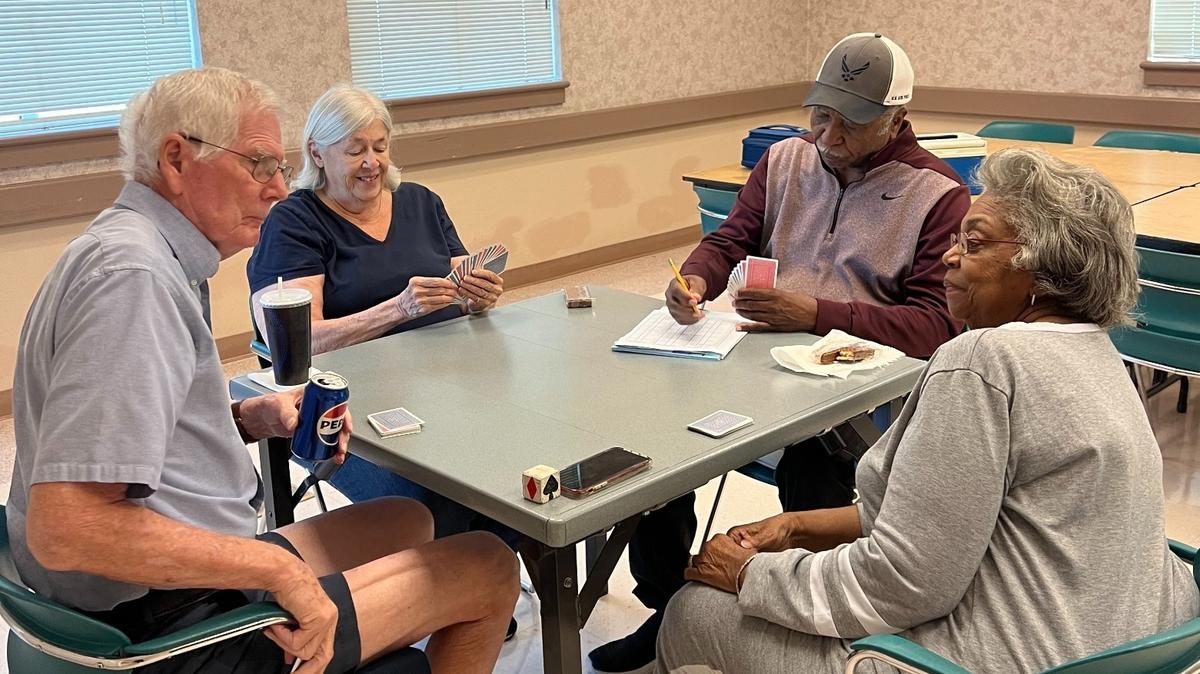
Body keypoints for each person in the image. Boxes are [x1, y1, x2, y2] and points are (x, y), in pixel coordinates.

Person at [7, 67, 519, 674]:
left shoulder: (134, 249)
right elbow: (68, 528)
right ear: (176, 158)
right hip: (167, 623)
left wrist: (243, 418)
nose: (277, 189)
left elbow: (125, 432)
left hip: (172, 574)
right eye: (258, 166)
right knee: (488, 563)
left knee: (411, 517)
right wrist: (278, 571)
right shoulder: (135, 280)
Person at [655, 146, 1200, 673]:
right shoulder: (1099, 353)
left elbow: (901, 586)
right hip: (1107, 641)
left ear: (1043, 266)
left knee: (693, 612)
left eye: (975, 242)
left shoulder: (984, 361)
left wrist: (753, 574)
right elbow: (945, 515)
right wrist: (796, 527)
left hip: (1003, 656)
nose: (949, 254)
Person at [590, 33, 969, 671]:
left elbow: (937, 327)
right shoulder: (785, 161)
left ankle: (809, 618)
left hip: (860, 384)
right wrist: (696, 280)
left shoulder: (938, 195)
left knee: (817, 461)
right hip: (757, 359)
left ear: (897, 119)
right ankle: (666, 607)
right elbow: (731, 237)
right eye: (821, 114)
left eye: (852, 122)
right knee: (657, 443)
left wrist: (817, 314)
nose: (830, 135)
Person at [245, 85, 518, 552]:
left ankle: (483, 582)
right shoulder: (293, 221)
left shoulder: (420, 201)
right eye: (354, 150)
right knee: (438, 501)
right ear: (317, 152)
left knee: (513, 468)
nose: (372, 162)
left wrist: (477, 294)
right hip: (345, 409)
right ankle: (456, 592)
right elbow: (300, 340)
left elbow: (457, 275)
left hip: (447, 387)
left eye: (380, 147)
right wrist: (398, 308)